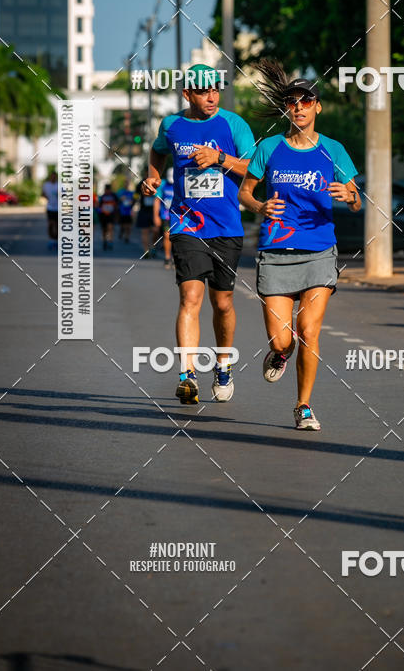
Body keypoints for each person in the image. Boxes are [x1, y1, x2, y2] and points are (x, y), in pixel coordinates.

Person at [238, 59, 360, 431]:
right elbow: (245, 192)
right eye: (293, 102)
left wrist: (348, 195)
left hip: (320, 250)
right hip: (276, 254)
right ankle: (279, 355)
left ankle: (303, 406)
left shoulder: (334, 150)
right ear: (286, 109)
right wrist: (259, 205)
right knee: (282, 340)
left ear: (317, 107)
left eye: (306, 101)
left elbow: (356, 198)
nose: (300, 107)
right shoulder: (270, 147)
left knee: (309, 331)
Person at [141, 63, 255, 404]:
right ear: (187, 94)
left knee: (223, 303)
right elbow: (158, 151)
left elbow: (255, 167)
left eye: (215, 90)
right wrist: (153, 175)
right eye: (204, 91)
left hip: (227, 227)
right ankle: (187, 374)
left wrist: (220, 158)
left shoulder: (233, 123)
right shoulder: (172, 125)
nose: (212, 96)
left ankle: (223, 364)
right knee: (190, 298)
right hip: (187, 224)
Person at [154, 168, 175, 269]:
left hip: (178, 216)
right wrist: (156, 216)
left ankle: (176, 259)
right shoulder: (163, 185)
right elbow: (157, 201)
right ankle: (167, 257)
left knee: (178, 238)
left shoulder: (180, 182)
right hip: (166, 215)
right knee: (167, 236)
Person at [98, 183, 118, 250]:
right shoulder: (102, 196)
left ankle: (110, 241)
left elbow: (117, 204)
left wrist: (116, 213)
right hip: (103, 215)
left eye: (108, 190)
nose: (107, 191)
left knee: (110, 228)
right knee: (104, 230)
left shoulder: (114, 196)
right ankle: (104, 241)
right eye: (106, 190)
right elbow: (99, 206)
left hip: (111, 215)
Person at [42, 170, 58, 250]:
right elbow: (42, 193)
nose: (53, 178)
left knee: (57, 225)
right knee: (50, 224)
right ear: (50, 177)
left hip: (58, 208)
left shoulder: (59, 185)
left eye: (54, 176)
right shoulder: (46, 185)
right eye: (52, 176)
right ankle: (51, 240)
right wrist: (45, 196)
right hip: (50, 207)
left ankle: (56, 240)